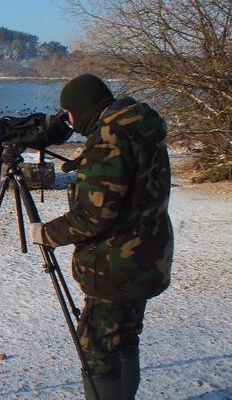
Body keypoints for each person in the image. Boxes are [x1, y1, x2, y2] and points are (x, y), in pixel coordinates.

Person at [28, 74, 174, 399]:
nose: (68, 120)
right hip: (147, 256)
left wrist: (46, 233)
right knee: (126, 337)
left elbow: (94, 216)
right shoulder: (141, 130)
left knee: (97, 349)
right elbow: (124, 190)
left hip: (116, 266)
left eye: (68, 112)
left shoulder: (110, 139)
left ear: (83, 108)